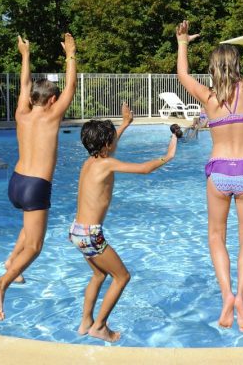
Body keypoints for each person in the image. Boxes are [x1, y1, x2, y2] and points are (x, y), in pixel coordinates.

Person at [175, 19, 243, 332]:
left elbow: (182, 75)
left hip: (218, 171)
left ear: (211, 68)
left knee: (216, 236)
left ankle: (226, 297)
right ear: (237, 65)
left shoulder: (207, 97)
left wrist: (182, 44)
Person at [0, 33, 77, 321]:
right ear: (51, 100)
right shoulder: (53, 115)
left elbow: (24, 85)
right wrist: (71, 55)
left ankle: (11, 262)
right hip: (37, 186)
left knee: (28, 227)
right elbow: (71, 87)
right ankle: (2, 283)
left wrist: (25, 55)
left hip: (16, 183)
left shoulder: (21, 114)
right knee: (36, 246)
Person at [71, 113, 178, 343]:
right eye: (113, 140)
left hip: (77, 231)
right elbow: (144, 169)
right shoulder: (107, 163)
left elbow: (108, 145)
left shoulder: (90, 162)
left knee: (99, 275)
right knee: (122, 277)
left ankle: (85, 322)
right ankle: (99, 326)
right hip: (91, 235)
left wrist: (125, 125)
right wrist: (167, 156)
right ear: (107, 145)